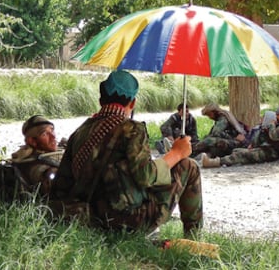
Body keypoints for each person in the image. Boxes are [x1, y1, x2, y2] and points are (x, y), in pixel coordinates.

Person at [51, 70, 203, 237]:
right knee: (189, 166)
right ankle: (194, 239)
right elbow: (145, 176)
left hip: (87, 219)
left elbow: (61, 186)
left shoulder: (81, 131)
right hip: (126, 222)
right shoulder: (132, 129)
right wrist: (177, 153)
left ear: (101, 100)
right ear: (132, 103)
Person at [202, 105, 279, 168]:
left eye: (278, 115)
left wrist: (271, 125)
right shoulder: (277, 125)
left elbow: (273, 135)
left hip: (272, 152)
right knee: (237, 151)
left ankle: (215, 162)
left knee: (242, 154)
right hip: (267, 148)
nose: (276, 117)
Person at [10, 115, 64, 197]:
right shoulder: (31, 162)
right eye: (45, 134)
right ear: (32, 141)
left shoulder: (55, 150)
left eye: (52, 130)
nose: (53, 136)